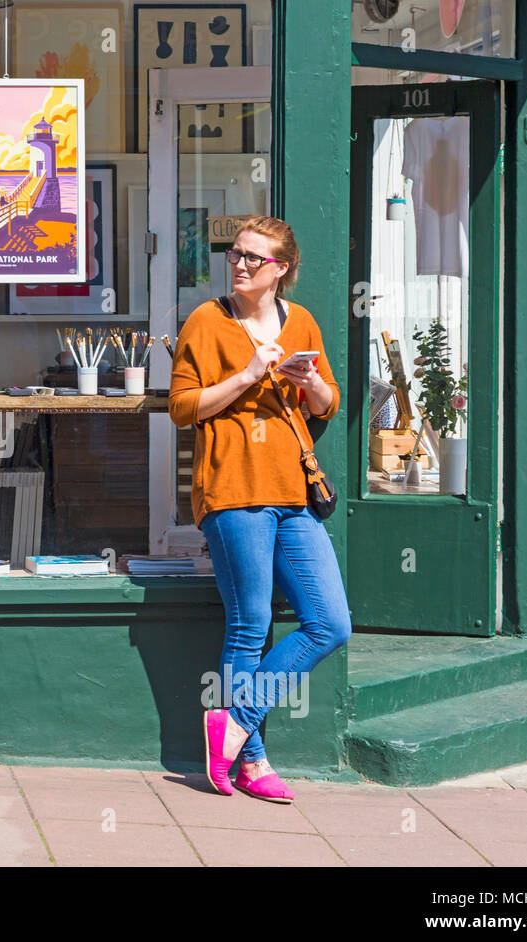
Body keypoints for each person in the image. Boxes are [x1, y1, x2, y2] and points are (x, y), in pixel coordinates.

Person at [167, 215, 351, 804]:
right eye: (236, 253)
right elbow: (182, 407)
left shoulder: (300, 322)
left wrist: (308, 380)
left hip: (293, 493)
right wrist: (248, 375)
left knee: (329, 623)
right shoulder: (206, 320)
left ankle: (234, 720)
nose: (240, 263)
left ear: (282, 270)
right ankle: (253, 762)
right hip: (234, 490)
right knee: (250, 627)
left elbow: (326, 403)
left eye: (255, 257)